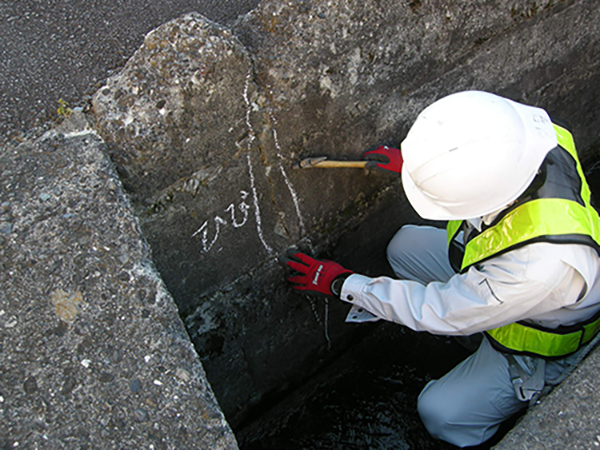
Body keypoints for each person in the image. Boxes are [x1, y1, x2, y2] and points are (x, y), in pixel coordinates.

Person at [283, 91, 600, 447]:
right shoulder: (534, 141)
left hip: (536, 340)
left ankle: (490, 416)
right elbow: (476, 161)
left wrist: (343, 283)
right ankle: (475, 333)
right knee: (404, 247)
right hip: (500, 285)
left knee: (440, 413)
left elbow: (440, 311)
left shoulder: (538, 265)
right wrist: (422, 168)